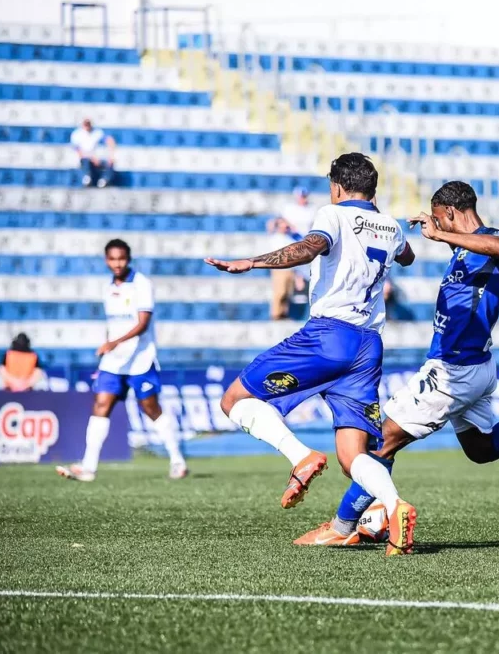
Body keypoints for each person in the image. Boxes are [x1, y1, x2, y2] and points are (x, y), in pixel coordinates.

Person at [294, 181, 499, 548]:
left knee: (378, 444)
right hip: (478, 368)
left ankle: (345, 525)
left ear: (449, 212)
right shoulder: (466, 248)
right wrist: (441, 234)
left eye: (439, 218)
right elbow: (472, 251)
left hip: (450, 370)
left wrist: (441, 235)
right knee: (481, 449)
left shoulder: (493, 239)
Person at [204, 152, 420, 556]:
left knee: (234, 399)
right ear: (374, 189)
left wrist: (252, 262)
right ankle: (395, 506)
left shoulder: (333, 214)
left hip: (327, 336)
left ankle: (300, 456)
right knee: (353, 455)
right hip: (369, 347)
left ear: (336, 186)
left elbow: (311, 247)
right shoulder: (391, 227)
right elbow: (406, 256)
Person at [56, 239, 187, 482]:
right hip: (113, 362)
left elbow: (143, 323)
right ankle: (88, 467)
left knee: (150, 408)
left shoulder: (141, 284)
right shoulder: (108, 287)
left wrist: (114, 342)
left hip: (140, 359)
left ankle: (177, 460)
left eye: (122, 258)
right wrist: (108, 350)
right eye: (113, 259)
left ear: (129, 258)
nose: (117, 263)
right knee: (101, 405)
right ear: (106, 260)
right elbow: (112, 325)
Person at [266, 217, 301, 320]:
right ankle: (276, 314)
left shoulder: (290, 238)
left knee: (288, 292)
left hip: (290, 268)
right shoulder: (274, 238)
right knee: (279, 292)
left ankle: (284, 313)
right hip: (279, 269)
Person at [70, 118, 116, 188]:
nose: (87, 126)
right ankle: (87, 178)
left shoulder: (97, 132)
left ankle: (104, 180)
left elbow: (109, 140)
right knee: (85, 161)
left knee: (110, 162)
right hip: (84, 159)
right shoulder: (76, 134)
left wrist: (111, 155)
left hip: (95, 158)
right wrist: (91, 157)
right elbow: (79, 152)